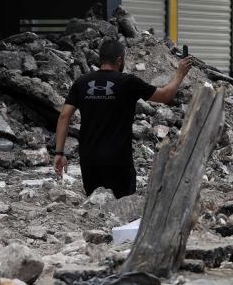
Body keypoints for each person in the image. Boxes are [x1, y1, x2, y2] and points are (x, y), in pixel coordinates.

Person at [52, 38, 193, 198]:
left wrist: (59, 153)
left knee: (95, 210)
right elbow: (166, 95)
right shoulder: (128, 82)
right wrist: (180, 73)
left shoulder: (81, 82)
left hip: (89, 162)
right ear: (119, 60)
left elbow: (64, 116)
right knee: (122, 214)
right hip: (118, 162)